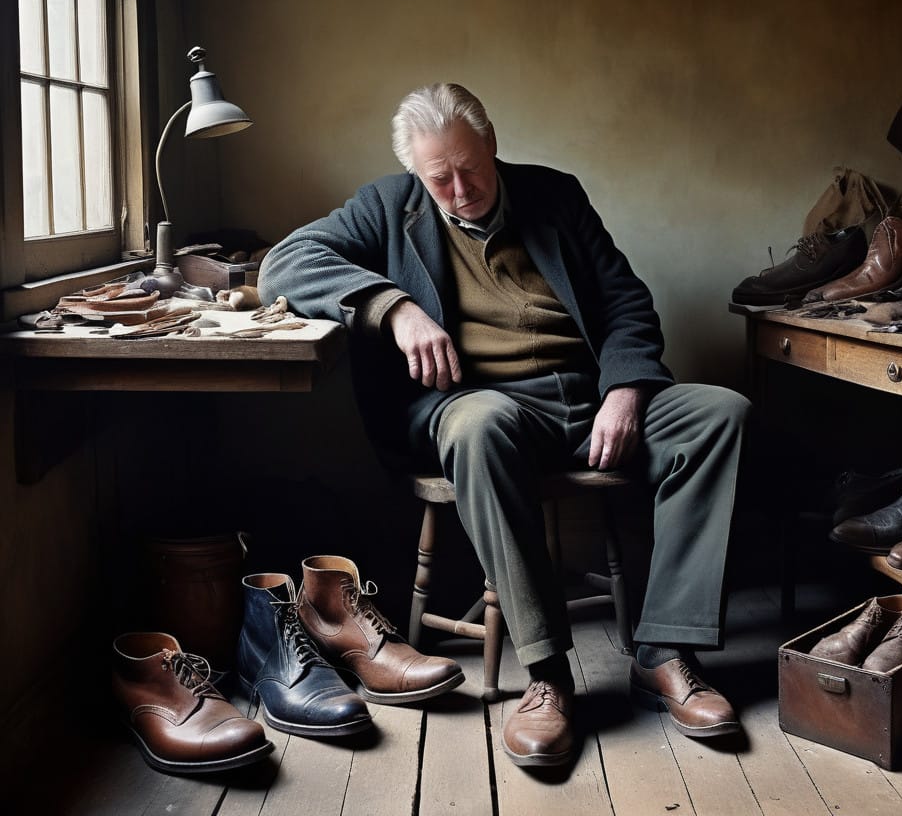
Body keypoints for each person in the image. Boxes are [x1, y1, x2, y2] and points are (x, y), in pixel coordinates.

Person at [258, 82, 751, 768]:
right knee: (479, 424)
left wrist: (627, 390)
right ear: (415, 174)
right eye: (440, 178)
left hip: (587, 399)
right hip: (484, 406)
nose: (460, 190)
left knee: (719, 414)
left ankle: (666, 653)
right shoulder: (385, 206)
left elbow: (625, 302)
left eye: (471, 169)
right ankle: (548, 677)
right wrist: (393, 307)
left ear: (492, 145)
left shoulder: (555, 195)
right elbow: (282, 264)